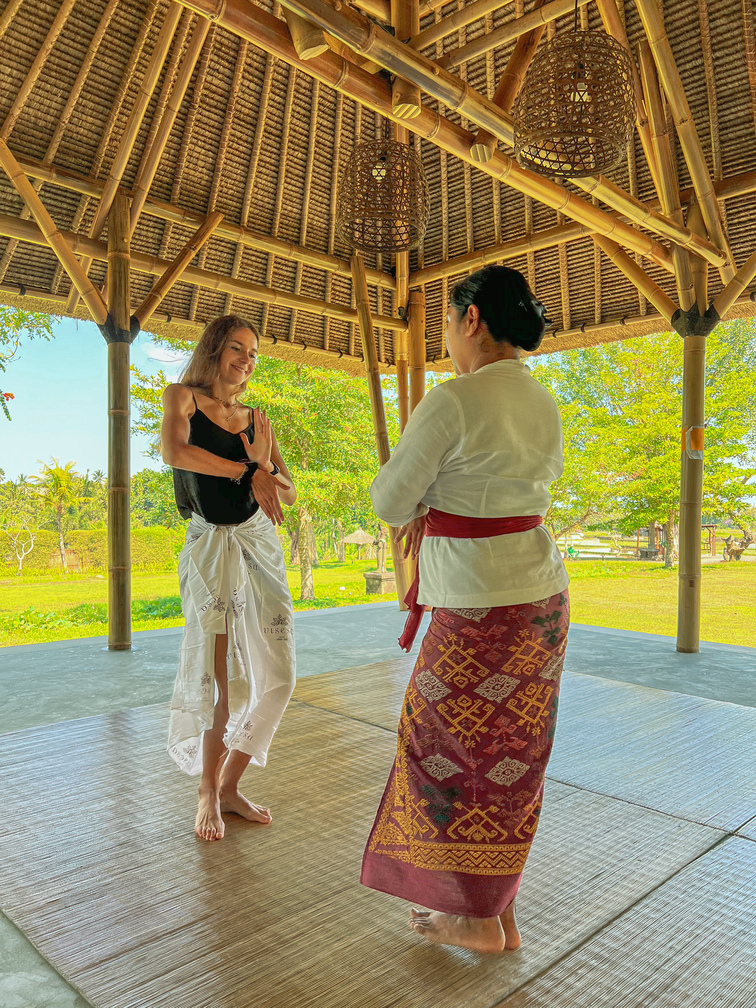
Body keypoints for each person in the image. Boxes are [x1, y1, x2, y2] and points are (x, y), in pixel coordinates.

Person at [361, 266, 569, 953]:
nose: (449, 337)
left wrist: (427, 501)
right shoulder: (543, 402)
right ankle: (497, 912)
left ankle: (475, 917)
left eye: (450, 323)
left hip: (479, 609)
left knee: (437, 753)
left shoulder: (453, 400)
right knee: (511, 759)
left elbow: (390, 501)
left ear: (471, 319)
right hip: (540, 602)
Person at [160, 315, 297, 841]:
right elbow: (176, 452)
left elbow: (286, 493)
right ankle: (206, 793)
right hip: (211, 545)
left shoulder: (259, 421)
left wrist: (266, 466)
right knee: (220, 679)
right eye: (238, 347)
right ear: (216, 349)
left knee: (280, 675)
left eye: (255, 352)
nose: (247, 358)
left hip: (257, 543)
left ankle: (228, 785)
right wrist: (247, 470)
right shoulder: (183, 399)